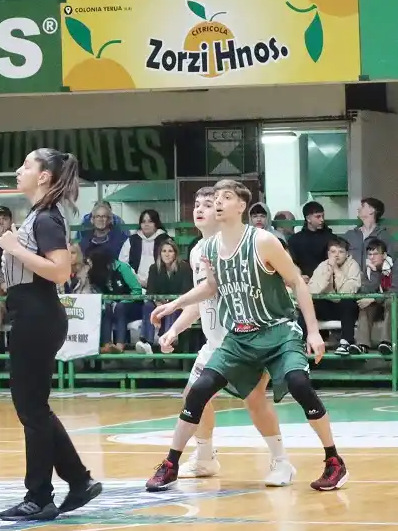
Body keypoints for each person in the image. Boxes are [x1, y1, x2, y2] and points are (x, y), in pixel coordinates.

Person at [148, 179, 348, 492]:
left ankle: (334, 460)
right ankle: (172, 463)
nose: (216, 202)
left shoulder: (263, 241)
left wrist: (312, 331)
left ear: (241, 206)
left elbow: (296, 281)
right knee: (198, 391)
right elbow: (210, 288)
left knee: (298, 384)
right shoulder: (210, 248)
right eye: (214, 197)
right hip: (239, 337)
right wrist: (173, 306)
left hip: (278, 330)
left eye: (225, 197)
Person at [154, 186, 295, 485]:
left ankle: (281, 461)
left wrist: (174, 306)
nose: (201, 208)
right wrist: (175, 329)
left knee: (254, 400)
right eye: (197, 203)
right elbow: (201, 302)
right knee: (193, 397)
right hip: (214, 343)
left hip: (245, 339)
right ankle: (205, 457)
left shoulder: (233, 248)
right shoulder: (196, 251)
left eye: (209, 203)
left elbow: (212, 289)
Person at [0, 148, 100, 521]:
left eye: (26, 165)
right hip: (32, 313)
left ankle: (39, 496)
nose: (18, 170)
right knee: (34, 408)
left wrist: (13, 248)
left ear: (43, 176)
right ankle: (78, 480)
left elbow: (60, 272)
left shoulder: (47, 220)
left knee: (31, 410)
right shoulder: (39, 216)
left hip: (38, 314)